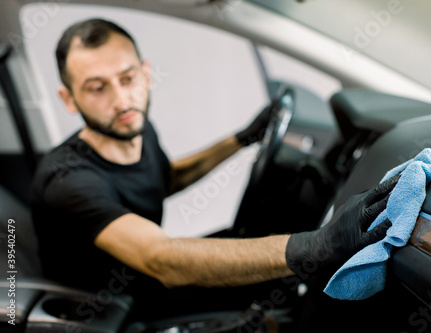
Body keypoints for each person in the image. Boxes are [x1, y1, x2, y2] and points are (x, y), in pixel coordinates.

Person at [30, 18, 396, 321]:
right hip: (114, 309)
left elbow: (166, 178)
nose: (120, 99)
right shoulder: (68, 181)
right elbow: (161, 259)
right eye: (97, 89)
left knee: (261, 238)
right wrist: (316, 245)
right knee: (286, 284)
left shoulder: (134, 127)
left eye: (127, 79)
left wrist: (240, 140)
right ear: (69, 99)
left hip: (145, 281)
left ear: (145, 74)